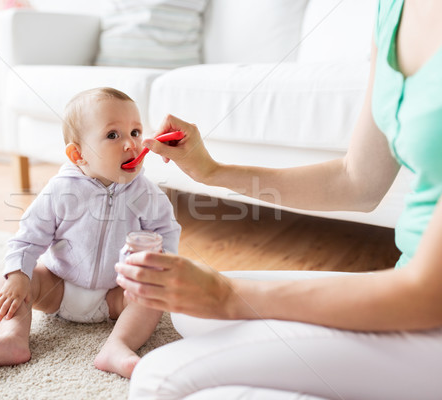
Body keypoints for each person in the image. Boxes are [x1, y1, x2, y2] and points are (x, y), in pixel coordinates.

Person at [115, 0, 442, 398]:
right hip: (409, 281)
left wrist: (225, 296)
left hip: (428, 307)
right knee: (189, 310)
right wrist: (213, 172)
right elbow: (356, 181)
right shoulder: (393, 10)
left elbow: (428, 294)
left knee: (158, 379)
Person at [0, 87, 181, 379]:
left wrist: (160, 265)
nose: (131, 144)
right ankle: (13, 338)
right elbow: (28, 238)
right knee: (14, 278)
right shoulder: (61, 190)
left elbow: (166, 232)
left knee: (152, 296)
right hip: (57, 287)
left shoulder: (146, 193)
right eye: (113, 135)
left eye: (136, 131)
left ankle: (118, 346)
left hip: (115, 295)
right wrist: (17, 275)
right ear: (78, 154)